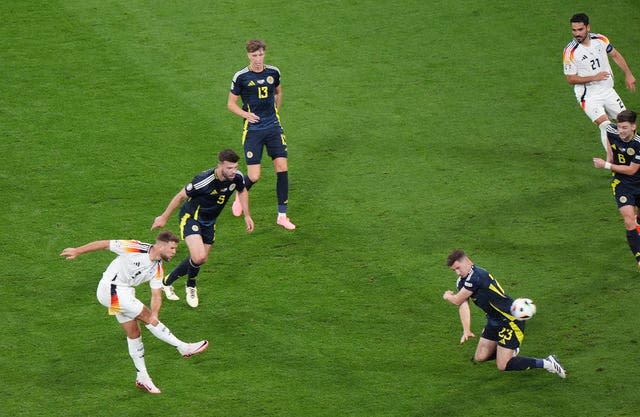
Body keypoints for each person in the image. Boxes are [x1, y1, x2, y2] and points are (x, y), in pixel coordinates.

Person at [60, 231, 209, 394]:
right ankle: (183, 347)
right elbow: (104, 243)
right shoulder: (135, 247)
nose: (174, 252)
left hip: (124, 292)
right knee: (145, 316)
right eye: (172, 248)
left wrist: (155, 316)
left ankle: (142, 376)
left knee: (134, 332)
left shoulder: (158, 268)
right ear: (161, 245)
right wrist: (77, 251)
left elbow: (156, 295)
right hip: (110, 288)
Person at [151, 149, 254, 307]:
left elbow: (242, 190)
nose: (234, 171)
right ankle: (191, 285)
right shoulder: (204, 181)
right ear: (220, 166)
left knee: (201, 258)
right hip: (191, 218)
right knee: (198, 257)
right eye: (229, 168)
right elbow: (180, 196)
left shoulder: (237, 177)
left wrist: (247, 215)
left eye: (235, 167)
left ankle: (167, 281)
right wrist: (164, 217)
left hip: (209, 221)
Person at [442, 249, 566, 378]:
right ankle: (509, 349)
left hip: (510, 320)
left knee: (503, 365)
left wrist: (447, 296)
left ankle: (547, 363)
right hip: (493, 320)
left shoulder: (477, 276)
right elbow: (463, 304)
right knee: (480, 357)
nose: (457, 272)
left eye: (458, 268)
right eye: (453, 270)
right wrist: (466, 330)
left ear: (466, 261)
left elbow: (457, 300)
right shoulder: (461, 281)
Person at [227, 38, 296, 230]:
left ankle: (282, 215)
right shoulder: (241, 77)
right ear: (248, 55)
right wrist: (246, 115)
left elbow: (278, 92)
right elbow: (231, 104)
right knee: (254, 176)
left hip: (273, 127)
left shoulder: (273, 72)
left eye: (260, 54)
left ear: (264, 53)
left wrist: (276, 111)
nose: (257, 59)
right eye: (254, 55)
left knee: (282, 167)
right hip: (253, 131)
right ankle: (240, 197)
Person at [563, 13, 636, 157]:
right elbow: (570, 79)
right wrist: (593, 77)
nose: (576, 33)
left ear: (588, 27)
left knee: (627, 124)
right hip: (589, 96)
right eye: (574, 30)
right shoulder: (570, 52)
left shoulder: (600, 39)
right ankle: (613, 161)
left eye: (580, 29)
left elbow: (615, 55)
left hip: (608, 90)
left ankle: (633, 155)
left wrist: (628, 74)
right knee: (606, 126)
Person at [592, 110, 640, 267]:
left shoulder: (638, 144)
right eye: (619, 127)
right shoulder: (611, 131)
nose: (621, 131)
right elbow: (608, 136)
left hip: (637, 181)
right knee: (629, 220)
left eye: (625, 127)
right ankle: (639, 258)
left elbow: (632, 170)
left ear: (633, 127)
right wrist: (609, 157)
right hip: (622, 184)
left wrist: (605, 165)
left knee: (637, 219)